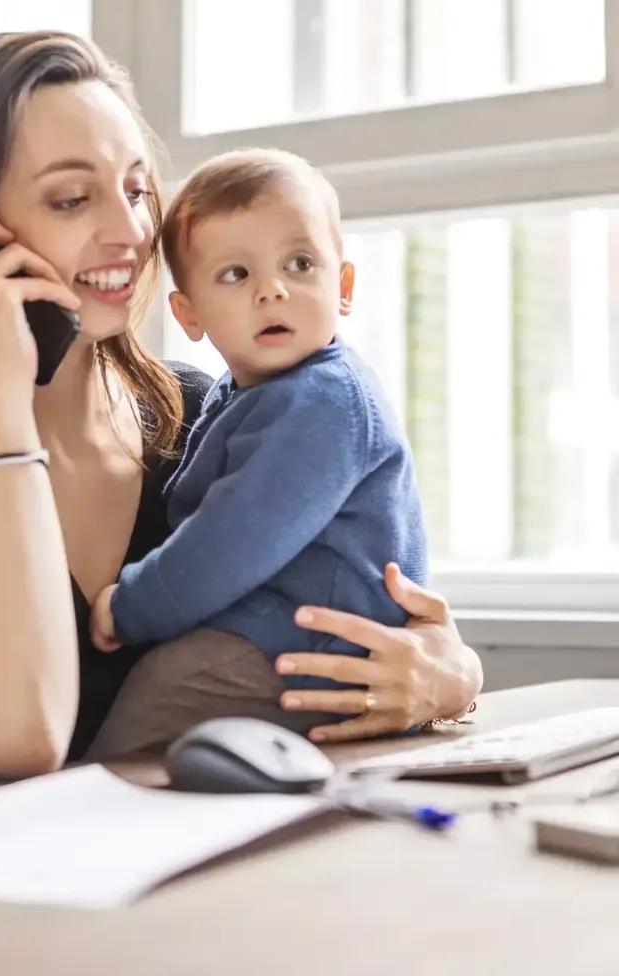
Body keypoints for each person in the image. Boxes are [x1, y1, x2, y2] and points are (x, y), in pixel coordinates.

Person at [0, 30, 482, 808]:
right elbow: (20, 735)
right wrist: (4, 401)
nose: (133, 233)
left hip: (117, 880)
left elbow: (360, 613)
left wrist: (444, 671)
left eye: (136, 190)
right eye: (72, 198)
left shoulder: (198, 417)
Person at [87, 149, 428, 758]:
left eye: (299, 264)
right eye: (235, 275)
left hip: (307, 650)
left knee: (142, 724)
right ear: (188, 314)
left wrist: (131, 607)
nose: (273, 291)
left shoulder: (324, 402)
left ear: (342, 286)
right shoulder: (241, 393)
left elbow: (231, 539)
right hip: (283, 639)